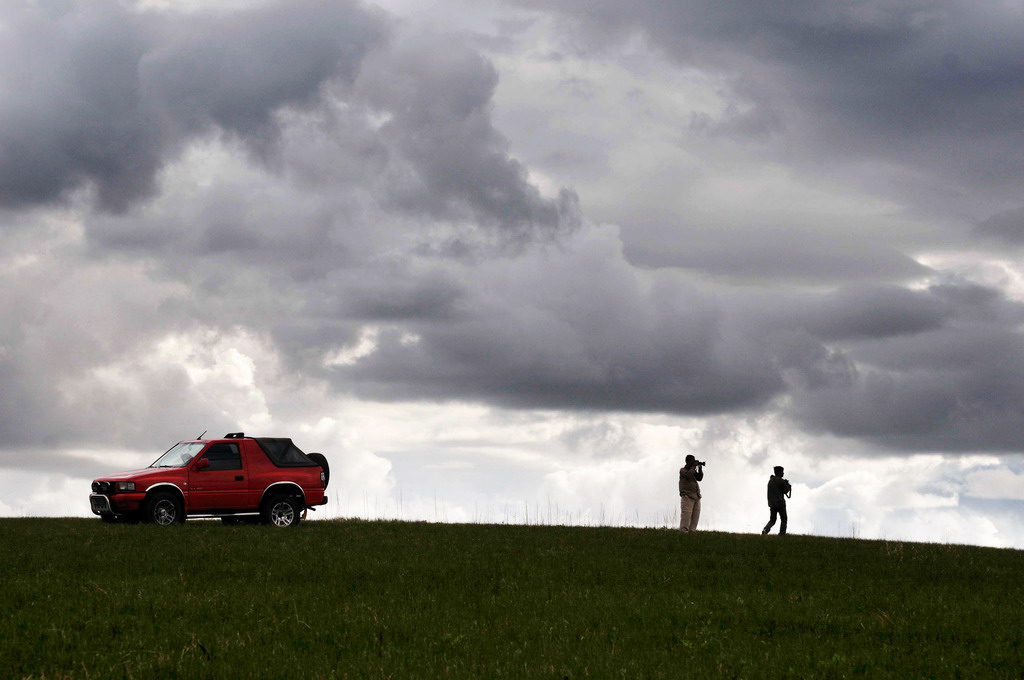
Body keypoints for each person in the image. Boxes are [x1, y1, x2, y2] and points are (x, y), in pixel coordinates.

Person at [762, 465, 792, 535]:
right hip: (780, 503)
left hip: (772, 503)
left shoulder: (770, 481)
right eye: (782, 472)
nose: (783, 473)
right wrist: (788, 485)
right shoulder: (781, 481)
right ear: (779, 472)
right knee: (784, 519)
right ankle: (782, 534)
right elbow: (786, 491)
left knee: (772, 520)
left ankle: (766, 530)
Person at [678, 454, 704, 532]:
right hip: (687, 496)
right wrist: (693, 467)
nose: (693, 463)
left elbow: (699, 478)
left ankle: (692, 532)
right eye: (692, 461)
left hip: (696, 496)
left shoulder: (693, 471)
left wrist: (700, 469)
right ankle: (683, 532)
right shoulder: (682, 470)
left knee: (695, 517)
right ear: (687, 461)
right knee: (686, 516)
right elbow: (688, 475)